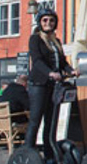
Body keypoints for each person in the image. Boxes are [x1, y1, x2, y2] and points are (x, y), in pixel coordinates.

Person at [26, 8, 77, 148]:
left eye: (52, 20)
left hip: (54, 86)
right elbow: (37, 61)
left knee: (51, 121)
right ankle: (28, 151)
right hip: (38, 84)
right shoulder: (35, 38)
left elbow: (62, 62)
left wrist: (71, 71)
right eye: (45, 20)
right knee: (36, 119)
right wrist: (50, 73)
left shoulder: (56, 41)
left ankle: (50, 152)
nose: (48, 23)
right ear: (40, 22)